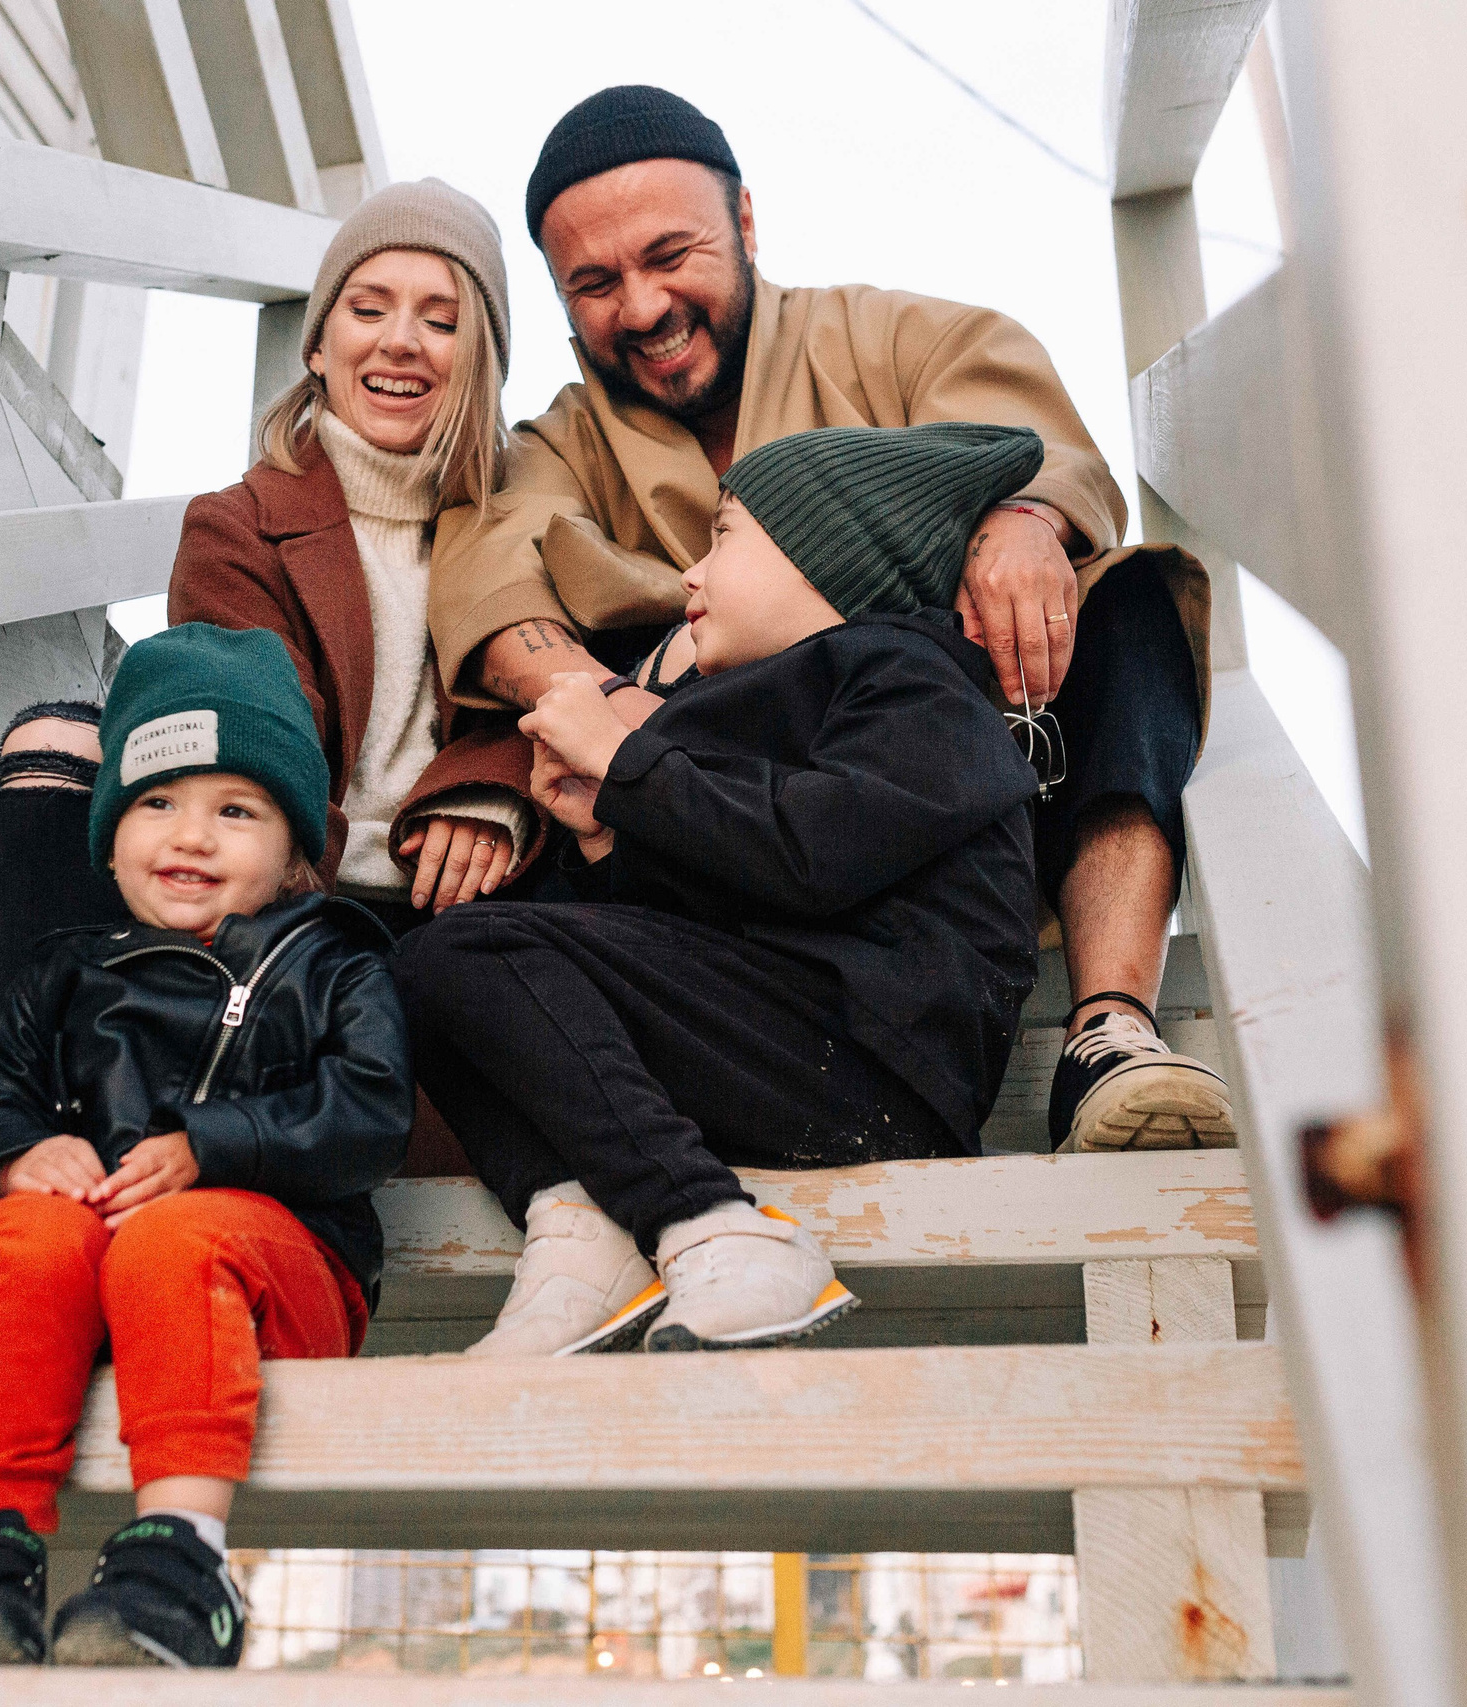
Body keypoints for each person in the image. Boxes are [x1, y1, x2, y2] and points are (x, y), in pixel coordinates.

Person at [430, 86, 1234, 1156]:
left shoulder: (889, 336)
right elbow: (490, 570)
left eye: (672, 253)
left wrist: (1020, 520)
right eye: (594, 282)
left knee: (1130, 606)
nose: (641, 305)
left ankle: (1108, 1028)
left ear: (746, 224)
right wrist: (604, 701)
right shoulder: (554, 445)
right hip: (728, 844)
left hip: (948, 810)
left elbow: (1034, 442)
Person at [0, 178, 528, 1371]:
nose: (401, 340)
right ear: (321, 340)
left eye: (442, 316)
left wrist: (489, 773)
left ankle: (75, 1256)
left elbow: (567, 674)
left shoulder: (526, 514)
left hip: (423, 972)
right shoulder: (240, 526)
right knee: (59, 742)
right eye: (368, 306)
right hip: (265, 913)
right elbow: (250, 754)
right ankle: (21, 1212)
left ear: (481, 353)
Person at [396, 424, 1042, 1357]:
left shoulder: (918, 679)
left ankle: (709, 1222)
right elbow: (721, 900)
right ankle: (576, 1224)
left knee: (475, 951)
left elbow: (814, 852)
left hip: (881, 1059)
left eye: (724, 538)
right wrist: (611, 835)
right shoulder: (757, 700)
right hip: (786, 1030)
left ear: (830, 554)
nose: (689, 576)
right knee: (430, 973)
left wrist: (628, 763)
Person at [0, 624, 415, 1669]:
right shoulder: (64, 968)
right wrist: (13, 1156)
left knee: (171, 1240)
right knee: (19, 1239)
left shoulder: (335, 964)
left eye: (236, 810)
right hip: (88, 1269)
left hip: (275, 1274)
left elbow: (368, 1111)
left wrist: (212, 1144)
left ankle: (181, 1563)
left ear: (294, 848)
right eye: (156, 803)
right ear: (109, 830)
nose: (190, 835)